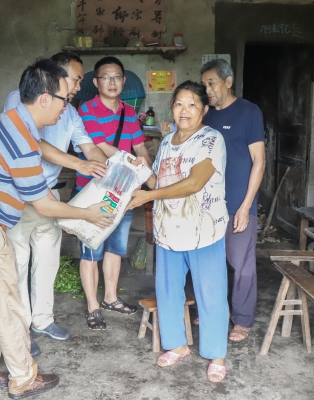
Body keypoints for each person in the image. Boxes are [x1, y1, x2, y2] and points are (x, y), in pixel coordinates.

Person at [0, 58, 112, 399]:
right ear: (44, 99)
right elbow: (43, 205)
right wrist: (86, 214)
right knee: (8, 306)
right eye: (63, 100)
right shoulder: (22, 138)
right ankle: (24, 378)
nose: (65, 108)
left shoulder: (11, 123)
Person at [3, 52, 108, 349]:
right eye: (76, 79)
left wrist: (109, 169)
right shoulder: (20, 98)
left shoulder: (70, 113)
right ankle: (20, 328)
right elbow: (32, 141)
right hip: (20, 196)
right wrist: (79, 164)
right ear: (58, 76)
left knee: (48, 261)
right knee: (18, 262)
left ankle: (42, 319)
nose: (78, 86)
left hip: (51, 194)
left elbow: (88, 146)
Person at [128, 81, 229, 382]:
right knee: (168, 292)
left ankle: (216, 354)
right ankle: (177, 345)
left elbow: (194, 183)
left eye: (192, 104)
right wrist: (140, 169)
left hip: (203, 231)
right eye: (179, 104)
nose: (184, 110)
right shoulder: (168, 141)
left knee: (210, 294)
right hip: (168, 230)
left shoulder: (211, 140)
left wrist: (148, 196)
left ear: (204, 109)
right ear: (171, 108)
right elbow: (158, 182)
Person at [76, 56, 152, 330]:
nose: (112, 82)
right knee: (91, 248)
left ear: (123, 81)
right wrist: (131, 163)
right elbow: (100, 146)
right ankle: (92, 306)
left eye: (117, 77)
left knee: (116, 248)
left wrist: (147, 172)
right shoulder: (86, 109)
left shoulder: (129, 113)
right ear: (96, 82)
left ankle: (110, 298)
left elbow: (140, 147)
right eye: (105, 77)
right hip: (93, 190)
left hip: (122, 192)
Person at [201, 59, 266, 342]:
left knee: (241, 264)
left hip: (238, 203)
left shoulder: (249, 112)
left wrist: (246, 205)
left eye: (211, 83)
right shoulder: (205, 115)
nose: (207, 90)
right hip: (208, 203)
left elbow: (259, 162)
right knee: (209, 261)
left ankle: (242, 320)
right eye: (204, 84)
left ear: (228, 82)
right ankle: (216, 309)